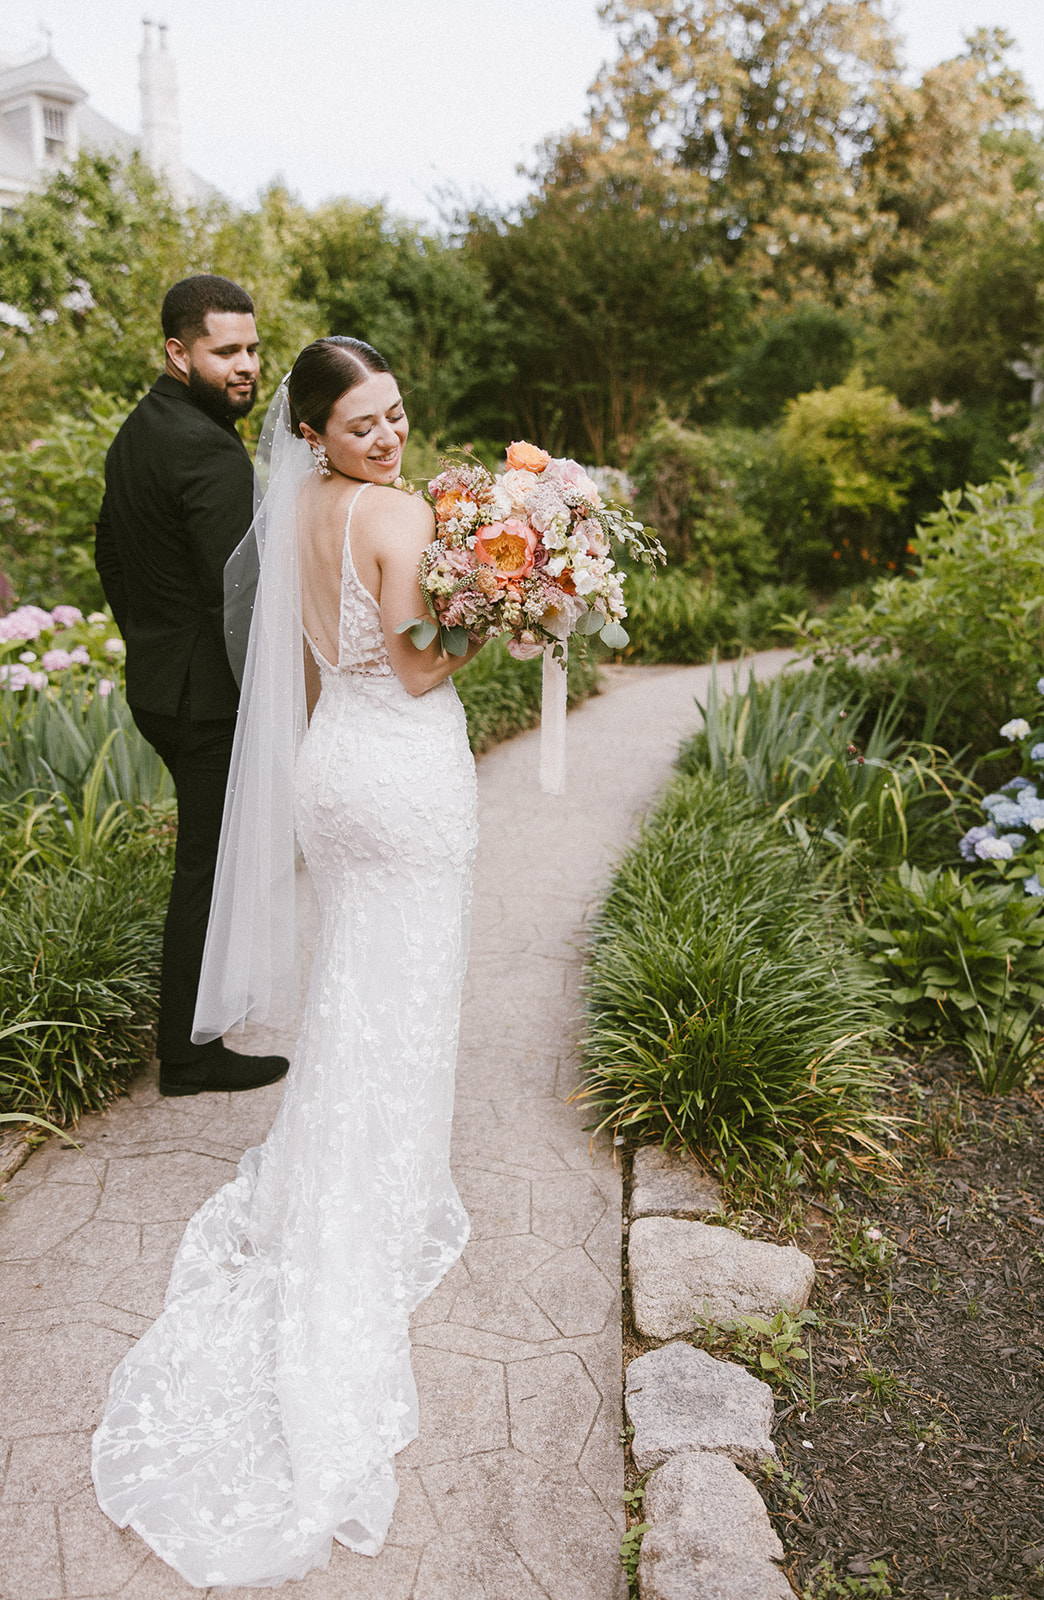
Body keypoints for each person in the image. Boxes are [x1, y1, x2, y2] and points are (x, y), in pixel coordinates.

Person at [91, 337, 481, 1587]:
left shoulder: (297, 503)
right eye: (364, 422)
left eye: (397, 414)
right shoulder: (397, 512)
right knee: (403, 990)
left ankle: (344, 1174)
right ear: (314, 430)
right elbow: (420, 665)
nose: (389, 435)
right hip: (403, 775)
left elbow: (328, 659)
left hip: (332, 772)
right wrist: (512, 616)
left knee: (357, 990)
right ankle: (386, 1194)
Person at [94, 273, 288, 1097]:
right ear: (179, 351)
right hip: (206, 699)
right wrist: (273, 695)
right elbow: (238, 596)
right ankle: (188, 1054)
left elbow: (109, 552)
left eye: (250, 348)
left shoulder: (141, 427)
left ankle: (201, 1025)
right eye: (225, 351)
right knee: (208, 868)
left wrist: (146, 636)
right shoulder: (206, 448)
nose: (245, 365)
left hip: (159, 682)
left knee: (208, 862)